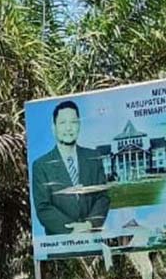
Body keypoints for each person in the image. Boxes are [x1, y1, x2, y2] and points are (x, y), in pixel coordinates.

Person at [30, 100, 110, 235]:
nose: (68, 128)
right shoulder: (41, 165)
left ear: (79, 125)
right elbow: (43, 207)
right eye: (62, 123)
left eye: (73, 122)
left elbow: (103, 197)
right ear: (53, 128)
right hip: (60, 245)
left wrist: (89, 225)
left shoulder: (93, 157)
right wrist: (72, 230)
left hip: (92, 240)